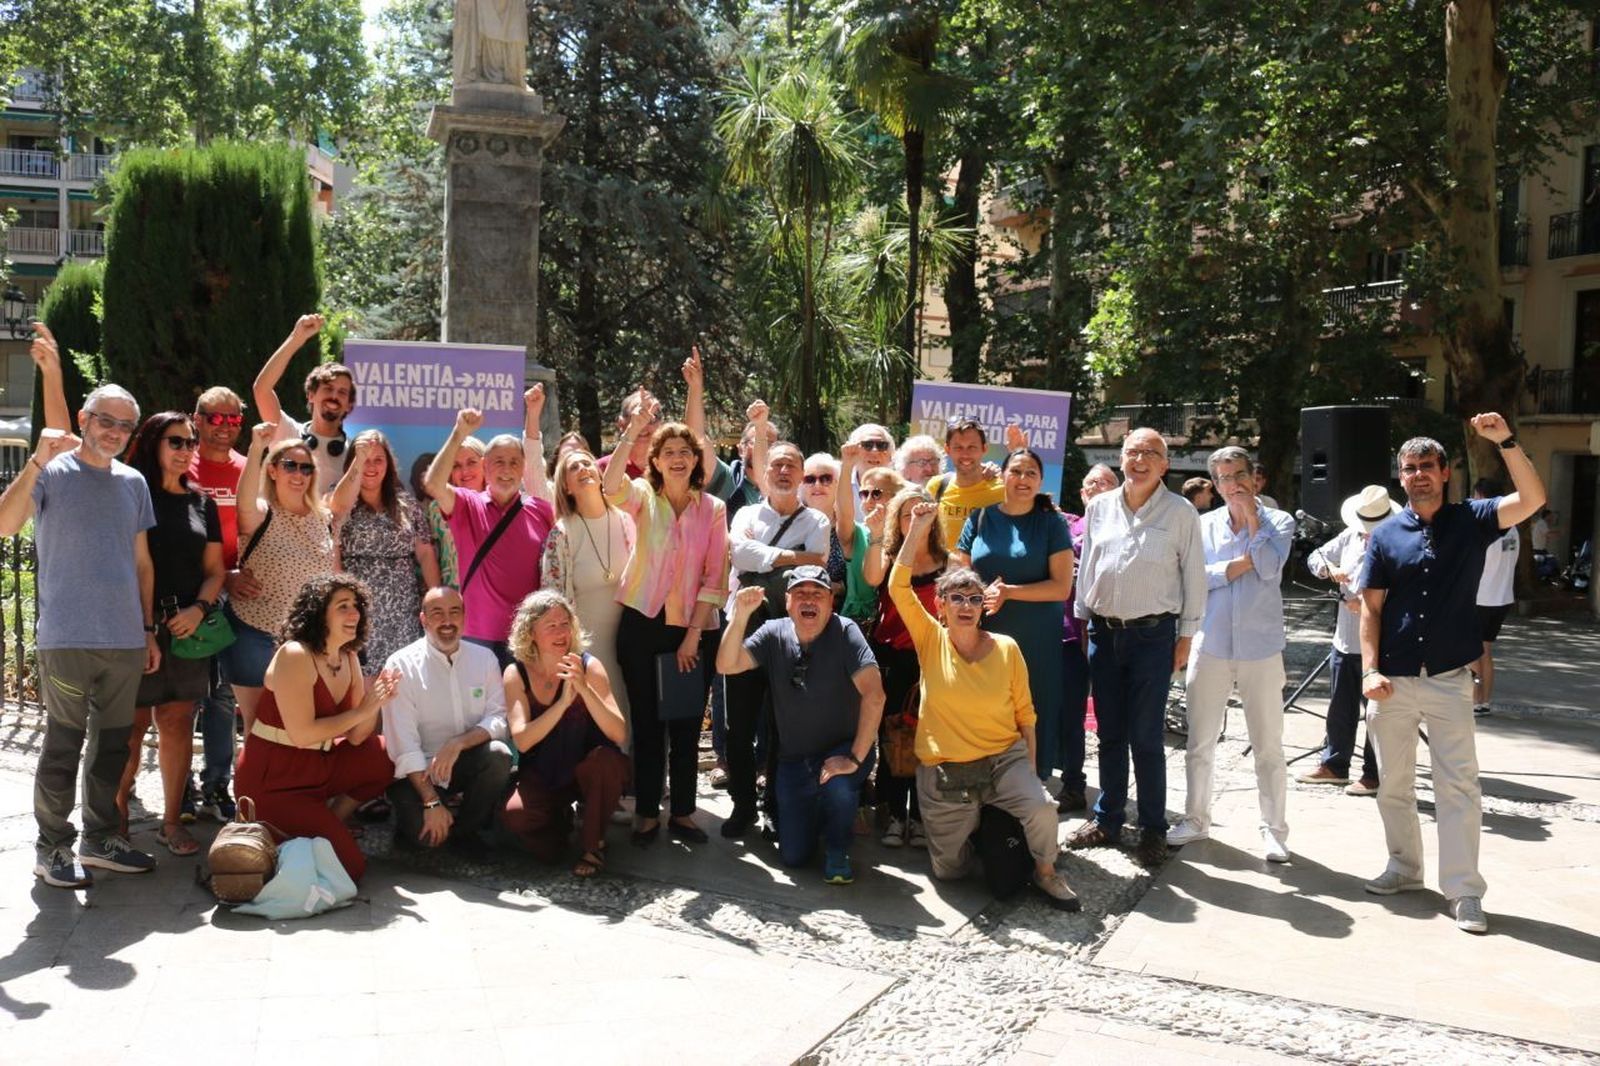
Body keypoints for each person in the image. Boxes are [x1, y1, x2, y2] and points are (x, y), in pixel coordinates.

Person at [1360, 417, 1544, 935]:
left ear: (1445, 473)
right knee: (1393, 783)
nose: (1418, 475)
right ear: (1401, 477)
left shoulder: (1474, 519)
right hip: (1391, 680)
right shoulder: (1385, 535)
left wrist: (1505, 441)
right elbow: (1370, 609)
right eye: (1409, 468)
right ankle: (1403, 867)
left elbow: (1531, 498)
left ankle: (1463, 890)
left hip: (1448, 677)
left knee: (1458, 786)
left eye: (1426, 467)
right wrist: (1369, 670)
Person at [0, 372, 160, 887]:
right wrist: (36, 461)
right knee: (63, 747)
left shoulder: (133, 483)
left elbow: (141, 564)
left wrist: (149, 628)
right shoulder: (51, 472)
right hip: (66, 638)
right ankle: (51, 849)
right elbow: (4, 524)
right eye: (106, 420)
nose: (114, 431)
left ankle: (100, 840)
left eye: (125, 425)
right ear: (85, 420)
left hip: (125, 640)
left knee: (113, 748)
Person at [888, 502, 1080, 910]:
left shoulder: (1007, 649)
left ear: (983, 606)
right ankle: (983, 829)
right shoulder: (930, 640)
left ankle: (1046, 872)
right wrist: (919, 527)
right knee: (949, 871)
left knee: (1043, 810)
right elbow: (897, 587)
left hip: (1002, 760)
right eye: (955, 598)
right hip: (947, 772)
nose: (965, 606)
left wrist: (1030, 781)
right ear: (940, 605)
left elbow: (1027, 718)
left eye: (974, 598)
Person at [1066, 428, 1207, 868]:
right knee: (1108, 733)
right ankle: (1107, 818)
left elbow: (1194, 579)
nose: (1140, 460)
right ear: (1121, 458)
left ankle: (1151, 828)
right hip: (1105, 634)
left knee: (1145, 735)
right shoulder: (1101, 507)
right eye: (1132, 452)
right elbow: (1088, 565)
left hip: (1154, 636)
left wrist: (1186, 637)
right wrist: (1083, 617)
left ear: (1165, 464)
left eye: (1150, 453)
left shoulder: (1181, 512)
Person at [602, 412, 728, 845]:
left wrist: (693, 636)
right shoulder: (641, 495)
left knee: (688, 724)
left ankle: (685, 813)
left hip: (691, 629)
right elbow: (609, 487)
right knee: (649, 723)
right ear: (654, 460)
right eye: (668, 452)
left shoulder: (713, 509)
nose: (677, 459)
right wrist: (629, 434)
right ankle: (648, 812)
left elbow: (715, 577)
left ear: (696, 461)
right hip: (642, 623)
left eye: (684, 452)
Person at [1166, 447, 1295, 862]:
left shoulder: (1279, 521)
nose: (1231, 484)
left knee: (1268, 745)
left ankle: (1274, 830)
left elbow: (1271, 568)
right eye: (1222, 478)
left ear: (1254, 476)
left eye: (1238, 475)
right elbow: (1194, 580)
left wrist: (1253, 521)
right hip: (1212, 643)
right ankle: (1196, 819)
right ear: (1214, 483)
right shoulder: (1202, 526)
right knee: (1200, 741)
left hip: (1260, 647)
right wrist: (1236, 566)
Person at [717, 568, 884, 883]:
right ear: (789, 601)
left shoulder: (846, 632)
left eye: (817, 594)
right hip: (794, 761)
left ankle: (838, 847)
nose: (809, 600)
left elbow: (875, 696)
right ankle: (825, 817)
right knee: (793, 857)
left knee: (837, 785)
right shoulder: (773, 632)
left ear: (830, 601)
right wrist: (739, 615)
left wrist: (855, 758)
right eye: (801, 594)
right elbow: (727, 664)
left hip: (844, 751)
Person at [235, 576, 398, 882]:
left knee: (384, 754)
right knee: (350, 869)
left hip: (318, 768)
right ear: (319, 612)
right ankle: (279, 835)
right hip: (275, 779)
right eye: (343, 607)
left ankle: (327, 823)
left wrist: (376, 703)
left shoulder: (348, 656)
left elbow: (358, 736)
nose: (354, 614)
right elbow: (302, 734)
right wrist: (362, 709)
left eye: (357, 606)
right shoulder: (295, 654)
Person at [115, 413, 226, 858]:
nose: (185, 450)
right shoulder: (131, 494)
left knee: (178, 724)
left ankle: (170, 821)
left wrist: (199, 610)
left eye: (190, 442)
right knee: (132, 728)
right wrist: (145, 629)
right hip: (135, 626)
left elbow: (216, 572)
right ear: (153, 444)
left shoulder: (203, 503)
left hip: (187, 630)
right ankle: (116, 820)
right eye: (175, 441)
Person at [721, 441, 831, 839]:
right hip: (747, 628)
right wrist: (791, 557)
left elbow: (817, 564)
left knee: (784, 727)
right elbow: (739, 557)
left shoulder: (817, 521)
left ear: (802, 475)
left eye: (791, 466)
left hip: (792, 637)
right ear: (763, 473)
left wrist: (763, 554)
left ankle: (774, 809)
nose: (784, 471)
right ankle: (742, 806)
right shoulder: (747, 513)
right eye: (776, 465)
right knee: (740, 726)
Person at [951, 449, 1074, 787]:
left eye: (1031, 473)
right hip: (984, 636)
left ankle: (1030, 788)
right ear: (1002, 476)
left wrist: (1008, 592)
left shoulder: (1052, 523)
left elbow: (1061, 587)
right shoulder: (979, 518)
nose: (1023, 479)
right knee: (985, 710)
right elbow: (961, 571)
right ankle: (981, 783)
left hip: (1035, 641)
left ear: (1040, 480)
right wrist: (977, 592)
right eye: (1016, 471)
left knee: (1032, 712)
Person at [501, 592, 632, 876]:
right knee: (517, 819)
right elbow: (523, 741)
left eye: (566, 623)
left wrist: (584, 689)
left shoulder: (589, 665)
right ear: (531, 632)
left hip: (589, 766)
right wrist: (562, 704)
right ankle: (561, 823)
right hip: (543, 769)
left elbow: (618, 732)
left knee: (605, 764)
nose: (562, 632)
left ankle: (593, 845)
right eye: (551, 625)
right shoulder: (516, 673)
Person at [223, 424, 337, 738]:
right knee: (258, 724)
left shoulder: (322, 518)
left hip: (306, 640)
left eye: (306, 468)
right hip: (256, 633)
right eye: (289, 466)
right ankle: (253, 788)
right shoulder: (261, 513)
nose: (298, 474)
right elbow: (243, 501)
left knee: (302, 722)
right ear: (272, 471)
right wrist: (256, 448)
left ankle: (294, 787)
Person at [382, 586, 511, 856]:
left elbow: (499, 719)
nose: (447, 621)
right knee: (427, 844)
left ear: (464, 616)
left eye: (454, 612)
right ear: (423, 619)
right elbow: (403, 747)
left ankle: (466, 831)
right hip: (416, 772)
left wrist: (458, 743)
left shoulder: (484, 659)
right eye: (437, 613)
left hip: (462, 762)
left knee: (498, 755)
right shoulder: (401, 665)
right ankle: (417, 821)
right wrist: (430, 801)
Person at [423, 408, 556, 665]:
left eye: (514, 462)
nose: (506, 469)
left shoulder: (542, 510)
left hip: (527, 636)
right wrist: (459, 433)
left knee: (522, 705)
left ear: (523, 468)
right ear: (485, 466)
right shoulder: (467, 504)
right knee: (477, 706)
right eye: (498, 462)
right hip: (477, 637)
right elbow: (433, 484)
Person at [861, 488, 947, 848]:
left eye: (921, 512)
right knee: (893, 737)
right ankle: (895, 814)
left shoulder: (948, 561)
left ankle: (921, 817)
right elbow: (871, 578)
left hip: (931, 660)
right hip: (892, 658)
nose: (915, 519)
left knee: (928, 741)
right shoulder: (889, 556)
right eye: (906, 514)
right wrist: (881, 533)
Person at [1297, 486, 1392, 795]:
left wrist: (1365, 606)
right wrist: (1330, 569)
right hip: (1345, 639)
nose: (1365, 533)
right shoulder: (1351, 536)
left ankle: (1373, 773)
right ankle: (1335, 764)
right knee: (1340, 707)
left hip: (1380, 642)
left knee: (1378, 713)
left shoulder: (1396, 542)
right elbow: (1315, 557)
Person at [330, 430, 441, 668]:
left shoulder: (406, 503)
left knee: (402, 678)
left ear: (388, 464)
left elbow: (425, 552)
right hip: (356, 610)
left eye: (378, 460)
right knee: (363, 682)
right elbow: (337, 513)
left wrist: (435, 601)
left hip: (402, 611)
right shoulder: (339, 497)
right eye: (364, 459)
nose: (371, 466)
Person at [541, 447, 635, 722]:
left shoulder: (627, 520)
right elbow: (552, 600)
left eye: (587, 463)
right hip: (588, 648)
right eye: (573, 467)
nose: (583, 468)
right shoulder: (561, 534)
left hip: (632, 640)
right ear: (566, 487)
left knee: (637, 718)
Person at [189, 386, 249, 821]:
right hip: (189, 592)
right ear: (198, 419)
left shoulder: (248, 470)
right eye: (216, 418)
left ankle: (216, 783)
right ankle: (181, 788)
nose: (224, 427)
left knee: (224, 694)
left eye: (233, 419)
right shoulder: (179, 466)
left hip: (235, 594)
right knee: (183, 694)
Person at [1057, 464, 1120, 813]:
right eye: (1090, 482)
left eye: (1106, 482)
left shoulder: (1126, 528)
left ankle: (1087, 788)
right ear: (1082, 494)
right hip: (1062, 632)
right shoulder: (1066, 524)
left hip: (1104, 635)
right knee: (1057, 714)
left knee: (1093, 716)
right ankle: (1064, 783)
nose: (1097, 486)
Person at [251, 313, 354, 495]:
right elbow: (262, 389)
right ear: (311, 395)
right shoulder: (288, 434)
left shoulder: (353, 455)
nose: (334, 396)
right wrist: (296, 338)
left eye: (342, 392)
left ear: (349, 405)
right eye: (328, 389)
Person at [837, 448, 909, 626]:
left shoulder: (909, 535)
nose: (868, 500)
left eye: (876, 493)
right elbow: (844, 513)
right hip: (858, 623)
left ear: (896, 498)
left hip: (899, 623)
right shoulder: (858, 532)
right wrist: (846, 467)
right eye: (863, 494)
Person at [1471, 478, 1518, 716]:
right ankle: (1484, 701)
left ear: (1481, 497)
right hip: (1502, 597)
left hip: (1481, 597)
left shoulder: (1485, 528)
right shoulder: (1514, 528)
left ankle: (1474, 700)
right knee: (1486, 651)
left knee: (1472, 652)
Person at [802, 452, 848, 589]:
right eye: (809, 479)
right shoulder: (791, 524)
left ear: (838, 484)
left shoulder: (849, 528)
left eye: (826, 479)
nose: (817, 485)